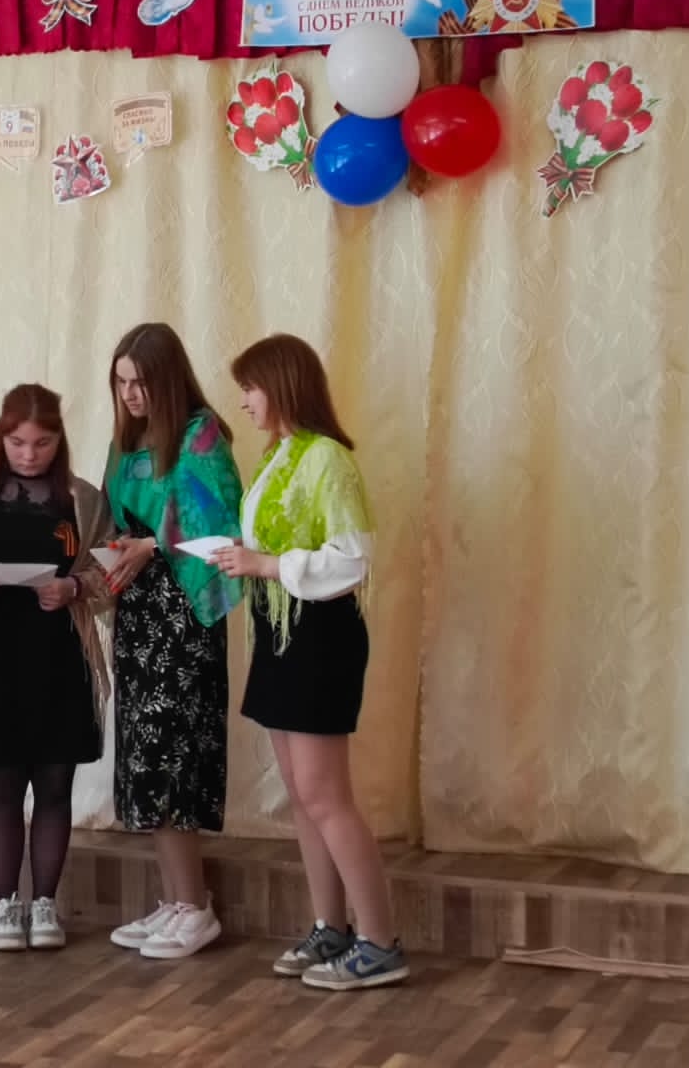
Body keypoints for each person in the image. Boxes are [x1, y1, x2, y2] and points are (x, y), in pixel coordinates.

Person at [211, 333, 409, 991]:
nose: (244, 401)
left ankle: (380, 941)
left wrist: (265, 564)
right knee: (300, 793)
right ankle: (332, 927)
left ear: (282, 385)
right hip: (280, 633)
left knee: (326, 794)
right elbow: (277, 543)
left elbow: (352, 560)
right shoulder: (279, 456)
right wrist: (241, 553)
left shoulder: (329, 459)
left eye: (250, 388)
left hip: (320, 637)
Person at [0, 384, 113, 952]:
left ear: (60, 440)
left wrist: (74, 587)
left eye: (42, 443)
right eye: (17, 443)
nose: (29, 454)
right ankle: (4, 905)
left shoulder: (83, 501)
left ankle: (45, 904)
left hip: (62, 659)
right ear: (0, 437)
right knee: (3, 786)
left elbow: (111, 572)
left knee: (56, 785)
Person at [102, 322, 243, 959]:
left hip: (183, 617)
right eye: (121, 382)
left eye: (141, 382)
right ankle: (175, 900)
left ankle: (196, 906)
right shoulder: (126, 441)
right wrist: (114, 552)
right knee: (144, 757)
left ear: (168, 379)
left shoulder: (201, 434)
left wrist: (152, 545)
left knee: (175, 757)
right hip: (139, 616)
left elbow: (223, 523)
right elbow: (115, 518)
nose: (131, 394)